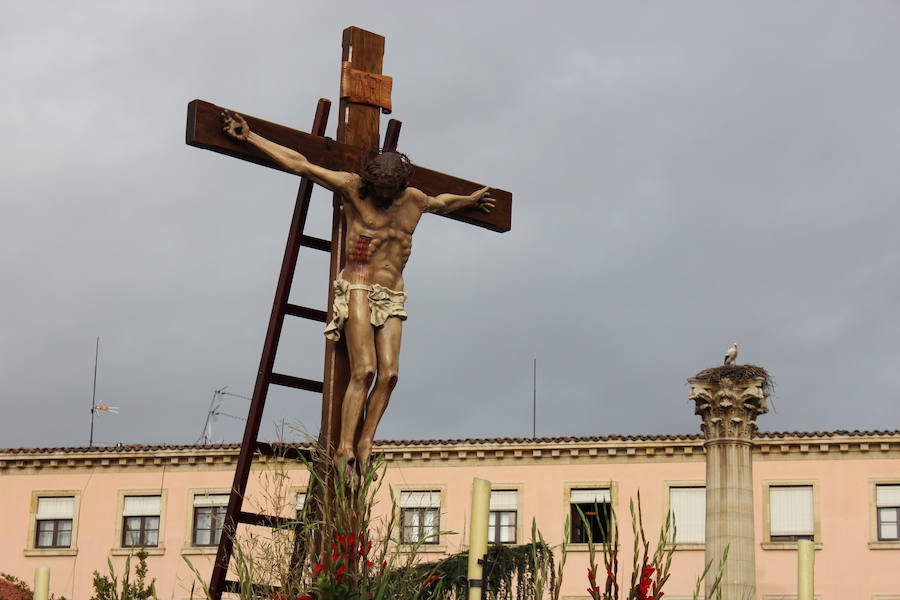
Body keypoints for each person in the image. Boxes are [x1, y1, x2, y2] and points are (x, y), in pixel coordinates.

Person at [222, 111, 494, 472]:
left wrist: (472, 200)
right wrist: (251, 137)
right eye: (378, 185)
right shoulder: (352, 188)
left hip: (393, 291)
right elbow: (302, 165)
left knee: (390, 375)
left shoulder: (414, 200)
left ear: (398, 184)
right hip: (359, 284)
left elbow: (445, 202)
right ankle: (343, 448)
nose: (382, 192)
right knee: (364, 370)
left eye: (388, 187)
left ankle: (366, 441)